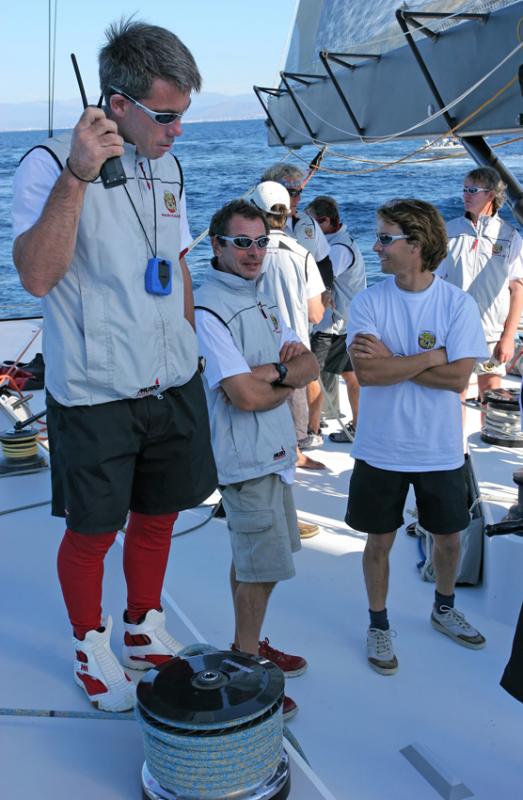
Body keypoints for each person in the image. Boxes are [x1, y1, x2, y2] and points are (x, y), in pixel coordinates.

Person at [11, 19, 217, 712]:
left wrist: (193, 355)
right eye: (166, 115)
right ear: (117, 104)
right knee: (94, 530)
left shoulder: (172, 165)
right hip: (96, 391)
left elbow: (181, 264)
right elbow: (37, 277)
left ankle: (141, 625)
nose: (178, 130)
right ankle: (88, 642)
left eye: (183, 114)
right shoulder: (47, 163)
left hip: (171, 379)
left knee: (158, 515)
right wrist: (78, 174)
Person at [344, 199, 489, 675]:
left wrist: (396, 359)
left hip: (440, 449)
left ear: (417, 244)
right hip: (380, 448)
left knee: (449, 539)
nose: (376, 246)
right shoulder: (368, 301)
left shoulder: (456, 303)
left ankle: (443, 608)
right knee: (378, 542)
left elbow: (458, 380)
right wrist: (433, 356)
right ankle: (378, 623)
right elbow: (368, 372)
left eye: (386, 238)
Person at [194, 199, 320, 719]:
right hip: (246, 458)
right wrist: (277, 375)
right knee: (260, 565)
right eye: (242, 242)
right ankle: (245, 666)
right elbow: (242, 396)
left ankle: (247, 643)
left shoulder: (261, 295)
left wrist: (268, 373)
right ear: (217, 244)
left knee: (254, 562)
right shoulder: (208, 308)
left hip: (272, 453)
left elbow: (309, 363)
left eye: (261, 241)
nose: (254, 252)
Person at [249, 181, 326, 475]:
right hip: (294, 352)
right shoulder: (302, 254)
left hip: (257, 348)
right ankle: (294, 455)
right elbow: (316, 314)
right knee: (291, 417)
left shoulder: (248, 253)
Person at [438, 167, 523, 404]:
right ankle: (455, 442)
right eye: (464, 189)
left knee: (491, 393)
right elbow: (433, 282)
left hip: (491, 333)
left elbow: (517, 289)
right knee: (455, 394)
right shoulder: (449, 231)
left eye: (472, 190)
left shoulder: (509, 236)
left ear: (491, 195)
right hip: (453, 331)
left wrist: (508, 336)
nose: (465, 195)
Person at [305, 195, 366, 442]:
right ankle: (360, 426)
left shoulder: (338, 249)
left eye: (310, 225)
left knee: (311, 375)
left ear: (325, 221)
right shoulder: (340, 242)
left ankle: (312, 429)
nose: (306, 230)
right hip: (347, 324)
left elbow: (320, 280)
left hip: (331, 326)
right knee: (352, 376)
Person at [260, 163, 334, 290]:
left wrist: (326, 290)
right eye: (293, 193)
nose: (299, 198)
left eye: (300, 192)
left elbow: (323, 263)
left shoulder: (308, 223)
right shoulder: (254, 227)